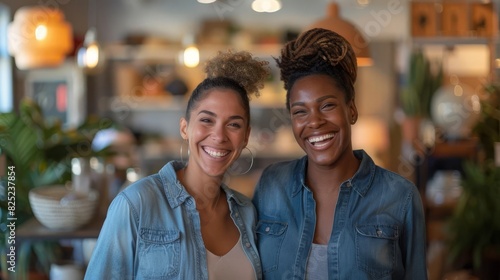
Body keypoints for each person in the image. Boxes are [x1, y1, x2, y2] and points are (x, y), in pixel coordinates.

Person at [252, 28, 427, 279]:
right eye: (300, 111)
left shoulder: (400, 197)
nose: (314, 122)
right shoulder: (271, 185)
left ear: (351, 110)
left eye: (327, 105)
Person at [85, 50, 269, 280]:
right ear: (185, 128)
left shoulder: (247, 212)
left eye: (233, 124)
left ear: (246, 136)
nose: (219, 136)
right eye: (206, 120)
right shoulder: (135, 204)